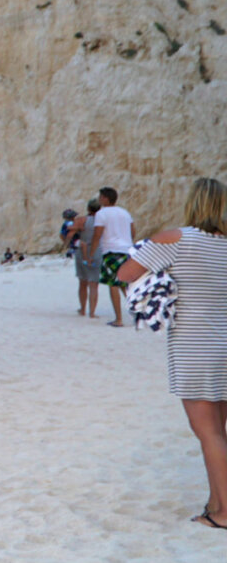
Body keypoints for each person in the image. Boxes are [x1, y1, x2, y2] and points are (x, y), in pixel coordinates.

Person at [116, 177, 227, 530]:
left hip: (196, 348)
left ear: (193, 203)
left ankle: (225, 514)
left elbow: (125, 272)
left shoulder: (176, 239)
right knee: (219, 431)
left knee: (208, 433)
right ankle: (215, 503)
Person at [93, 186, 136, 327]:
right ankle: (139, 315)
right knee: (125, 285)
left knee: (113, 284)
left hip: (111, 251)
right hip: (126, 250)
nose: (99, 199)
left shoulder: (102, 214)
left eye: (100, 196)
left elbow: (97, 234)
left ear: (105, 198)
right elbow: (133, 231)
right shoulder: (125, 212)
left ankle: (118, 319)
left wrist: (93, 252)